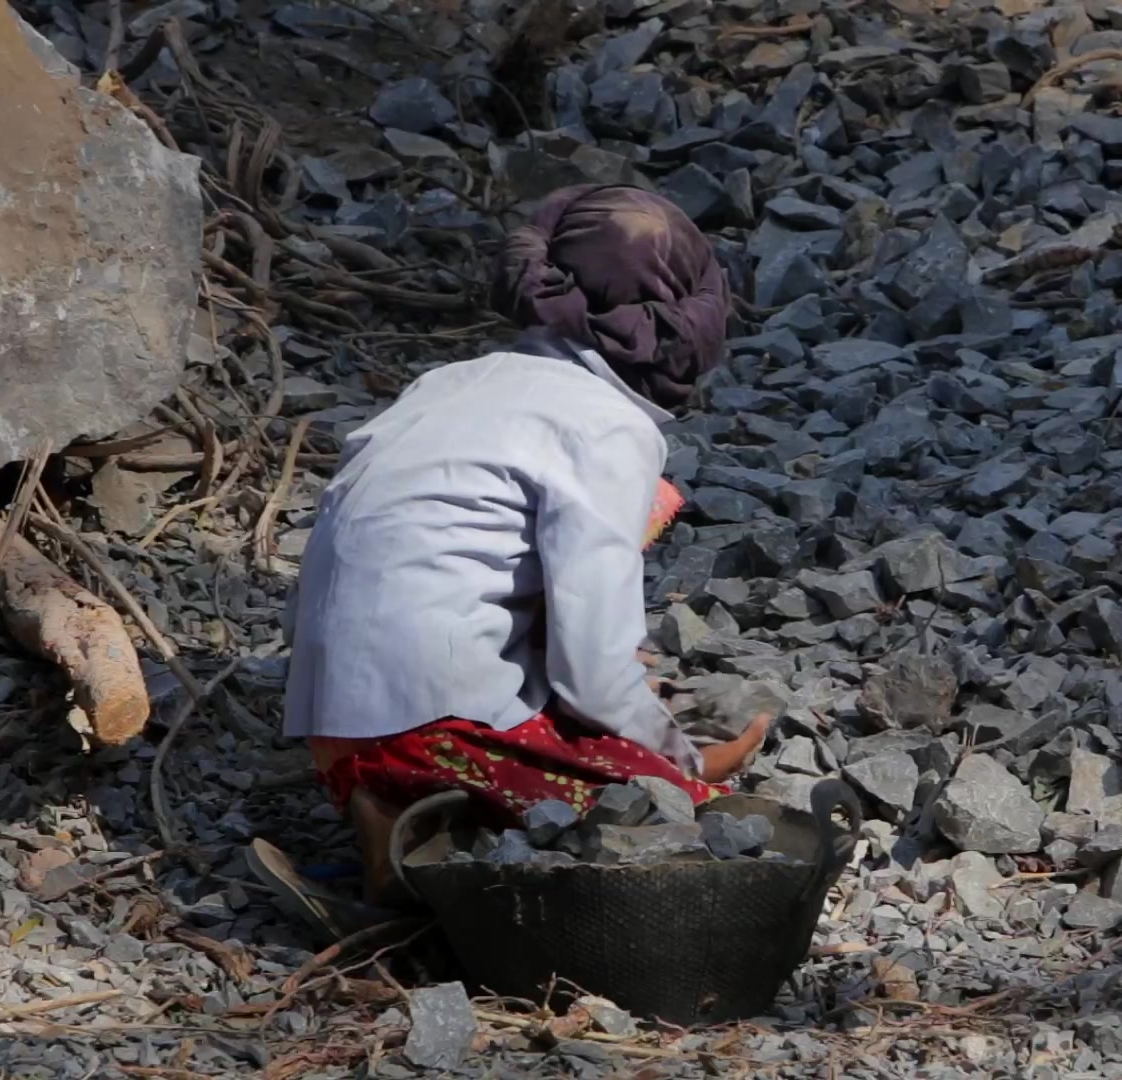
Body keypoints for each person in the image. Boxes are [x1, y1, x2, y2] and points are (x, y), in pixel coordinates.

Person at [253, 186, 767, 935]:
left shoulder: (448, 383)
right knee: (691, 830)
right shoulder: (607, 426)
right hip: (432, 731)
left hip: (334, 725)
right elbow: (591, 666)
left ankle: (401, 820)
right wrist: (674, 756)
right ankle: (440, 865)